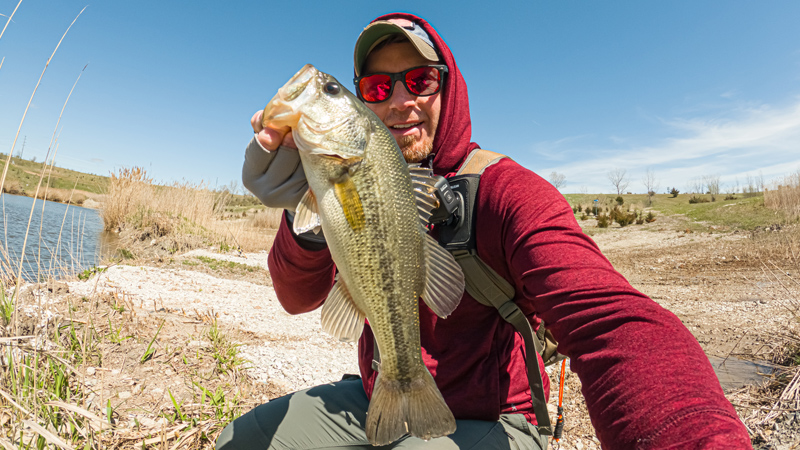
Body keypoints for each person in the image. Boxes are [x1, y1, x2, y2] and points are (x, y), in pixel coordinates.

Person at [217, 12, 752, 450]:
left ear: (448, 87)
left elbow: (611, 322)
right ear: (366, 103)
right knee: (241, 441)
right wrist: (305, 215)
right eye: (378, 87)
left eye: (420, 81)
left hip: (496, 419)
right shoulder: (353, 175)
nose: (400, 102)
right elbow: (296, 299)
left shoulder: (506, 190)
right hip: (381, 393)